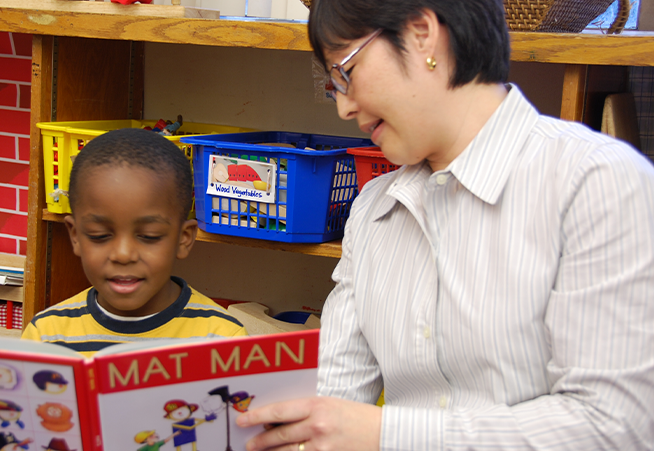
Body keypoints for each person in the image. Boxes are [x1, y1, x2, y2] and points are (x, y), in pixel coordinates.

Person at [236, 0, 654, 449]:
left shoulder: (595, 181)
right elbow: (332, 395)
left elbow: (612, 426)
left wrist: (385, 435)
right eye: (332, 85)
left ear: (422, 34)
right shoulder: (374, 208)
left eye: (346, 73)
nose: (344, 107)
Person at [22, 128, 247, 357]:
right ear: (75, 235)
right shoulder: (46, 338)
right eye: (99, 235)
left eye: (149, 236)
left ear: (184, 238)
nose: (123, 254)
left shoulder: (223, 342)